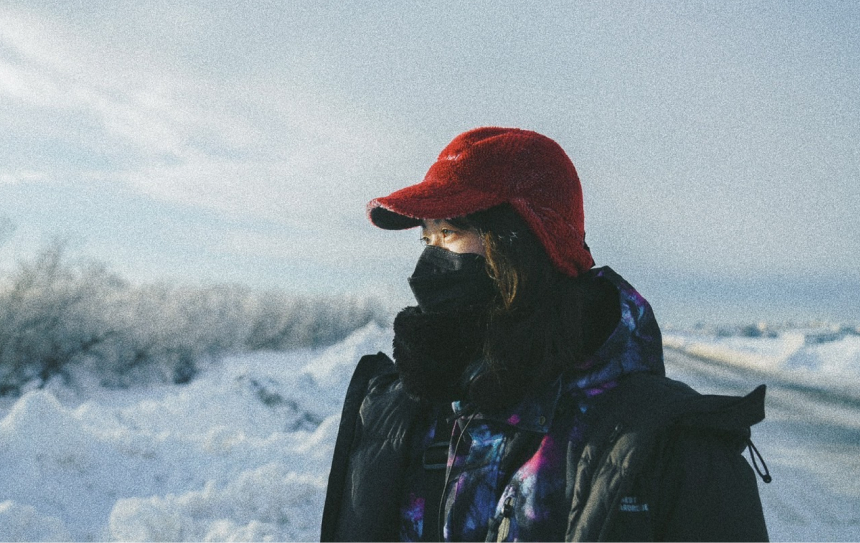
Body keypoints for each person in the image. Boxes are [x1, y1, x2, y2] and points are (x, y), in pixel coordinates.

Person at [321, 127, 770, 542]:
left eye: (450, 233)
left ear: (523, 244)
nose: (430, 262)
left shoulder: (668, 449)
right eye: (428, 239)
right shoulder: (406, 416)